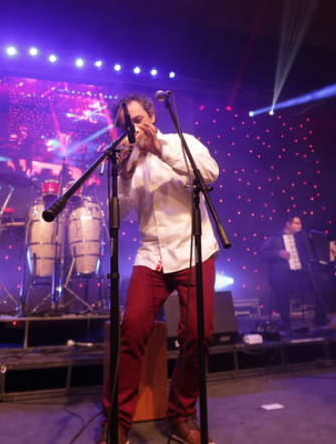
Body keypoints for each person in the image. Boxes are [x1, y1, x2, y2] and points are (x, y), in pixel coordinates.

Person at [97, 93, 220, 444]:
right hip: (151, 255)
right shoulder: (127, 161)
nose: (133, 129)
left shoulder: (184, 142)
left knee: (197, 334)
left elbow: (210, 173)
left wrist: (161, 150)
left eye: (137, 120)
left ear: (151, 115)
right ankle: (117, 423)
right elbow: (118, 215)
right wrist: (123, 176)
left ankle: (182, 417)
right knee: (132, 330)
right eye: (126, 125)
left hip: (194, 250)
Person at [259, 214, 336, 330]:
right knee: (281, 280)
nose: (300, 226)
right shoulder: (274, 238)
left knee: (323, 278)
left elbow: (319, 253)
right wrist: (278, 253)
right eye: (297, 223)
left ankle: (320, 317)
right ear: (288, 224)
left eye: (301, 223)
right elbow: (262, 254)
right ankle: (285, 320)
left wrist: (332, 253)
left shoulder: (305, 239)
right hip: (283, 274)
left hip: (303, 276)